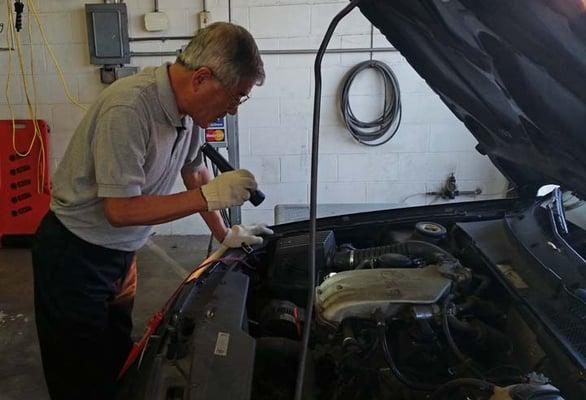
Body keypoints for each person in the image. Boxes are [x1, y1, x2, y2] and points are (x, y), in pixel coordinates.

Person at [31, 22, 269, 399]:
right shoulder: (129, 108)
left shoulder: (189, 114)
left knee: (118, 360)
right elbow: (120, 210)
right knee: (78, 375)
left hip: (121, 255)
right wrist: (209, 197)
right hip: (75, 256)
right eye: (234, 98)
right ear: (202, 78)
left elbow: (194, 170)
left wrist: (225, 233)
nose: (233, 111)